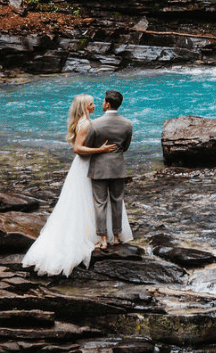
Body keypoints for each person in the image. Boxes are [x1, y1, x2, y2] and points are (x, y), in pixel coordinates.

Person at [20, 94, 116, 277]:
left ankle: (93, 232)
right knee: (86, 201)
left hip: (84, 166)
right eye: (91, 104)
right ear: (84, 107)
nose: (95, 105)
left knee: (85, 201)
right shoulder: (85, 124)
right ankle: (88, 235)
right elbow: (78, 149)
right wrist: (100, 150)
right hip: (86, 166)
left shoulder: (83, 121)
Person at [82, 89, 133, 248]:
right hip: (118, 168)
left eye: (103, 101)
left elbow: (87, 146)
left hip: (99, 169)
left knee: (100, 203)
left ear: (108, 103)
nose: (102, 103)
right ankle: (117, 236)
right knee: (117, 201)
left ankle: (103, 239)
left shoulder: (95, 124)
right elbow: (125, 147)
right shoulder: (127, 124)